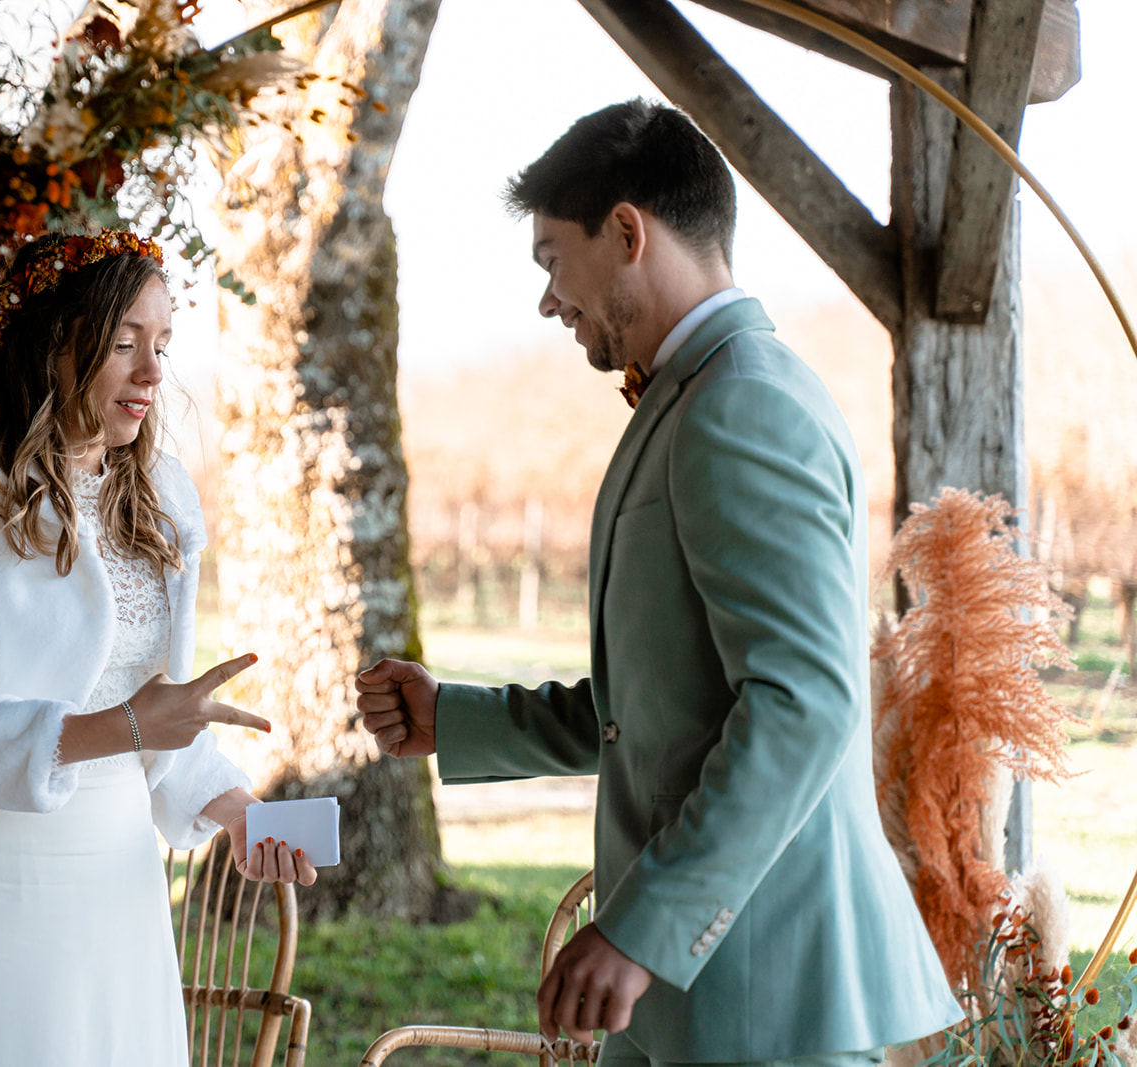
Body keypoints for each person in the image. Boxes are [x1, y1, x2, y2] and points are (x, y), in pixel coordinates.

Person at [356, 100, 961, 1065]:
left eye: (553, 259)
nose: (550, 300)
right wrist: (455, 720)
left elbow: (803, 703)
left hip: (766, 996)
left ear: (627, 232)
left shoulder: (744, 404)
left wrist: (643, 925)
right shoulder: (699, 395)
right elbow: (667, 703)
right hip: (696, 999)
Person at [0, 230, 315, 1067]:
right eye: (124, 343)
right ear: (51, 340)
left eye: (162, 345)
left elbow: (160, 711)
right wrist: (127, 726)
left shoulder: (163, 497)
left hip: (121, 895)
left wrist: (236, 811)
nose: (151, 373)